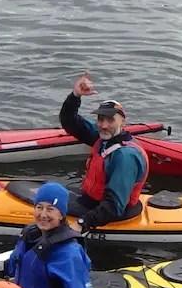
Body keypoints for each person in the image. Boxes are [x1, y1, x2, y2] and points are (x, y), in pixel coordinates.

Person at [58, 73, 148, 229]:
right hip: (91, 200)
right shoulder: (102, 138)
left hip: (111, 212)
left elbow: (113, 206)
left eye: (110, 120)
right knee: (49, 190)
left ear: (122, 122)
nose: (104, 125)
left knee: (48, 202)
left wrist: (82, 223)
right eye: (100, 120)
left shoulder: (125, 157)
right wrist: (75, 95)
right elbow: (69, 122)